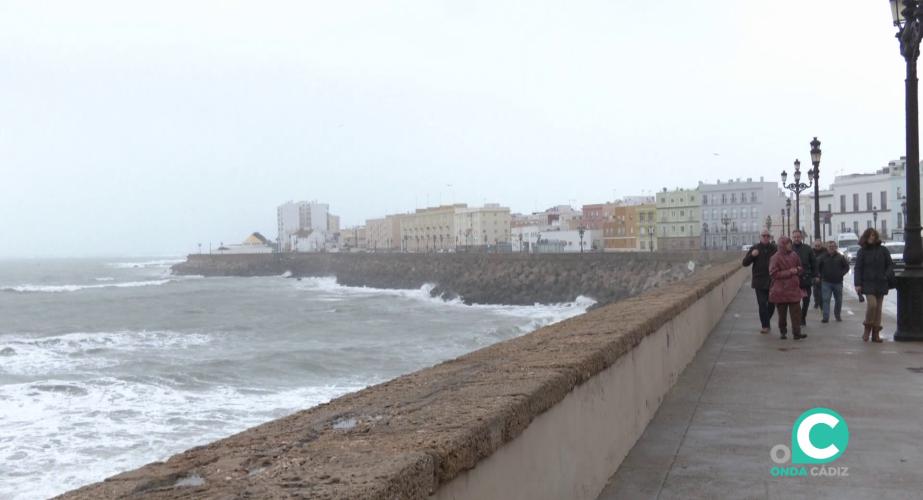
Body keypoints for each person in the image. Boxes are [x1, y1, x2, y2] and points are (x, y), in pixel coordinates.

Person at [854, 228, 894, 343]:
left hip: (881, 282)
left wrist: (885, 275)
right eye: (870, 236)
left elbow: (889, 265)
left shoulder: (883, 250)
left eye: (873, 235)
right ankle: (867, 327)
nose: (872, 237)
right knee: (872, 305)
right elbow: (858, 268)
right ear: (866, 237)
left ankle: (875, 334)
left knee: (878, 309)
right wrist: (857, 284)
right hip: (868, 283)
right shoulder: (862, 251)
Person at [769, 236, 806, 340]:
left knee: (796, 313)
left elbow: (800, 267)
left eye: (790, 243)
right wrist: (790, 272)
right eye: (788, 243)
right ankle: (783, 331)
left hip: (793, 289)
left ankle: (797, 333)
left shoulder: (794, 255)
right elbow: (773, 273)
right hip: (781, 290)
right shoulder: (775, 257)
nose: (790, 245)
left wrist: (798, 270)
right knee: (782, 314)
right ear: (782, 245)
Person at [742, 230, 777, 333]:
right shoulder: (755, 248)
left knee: (771, 305)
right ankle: (765, 326)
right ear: (760, 237)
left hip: (772, 281)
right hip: (759, 281)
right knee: (762, 304)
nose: (766, 237)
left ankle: (766, 321)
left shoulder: (774, 249)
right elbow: (744, 263)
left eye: (768, 236)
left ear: (770, 237)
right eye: (764, 236)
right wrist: (752, 255)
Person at [817, 240, 850, 323]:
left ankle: (837, 315)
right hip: (826, 282)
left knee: (838, 300)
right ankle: (825, 317)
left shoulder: (840, 257)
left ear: (836, 247)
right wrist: (820, 275)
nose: (831, 248)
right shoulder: (822, 257)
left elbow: (846, 267)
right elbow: (817, 267)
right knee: (826, 299)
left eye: (833, 246)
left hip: (838, 282)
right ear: (827, 247)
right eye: (830, 246)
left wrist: (841, 274)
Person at [791, 230, 817, 327]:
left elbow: (814, 263)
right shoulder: (789, 249)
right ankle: (797, 319)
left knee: (806, 301)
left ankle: (803, 317)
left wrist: (816, 275)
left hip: (806, 280)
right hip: (793, 280)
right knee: (795, 302)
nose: (797, 239)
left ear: (801, 237)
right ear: (792, 238)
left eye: (798, 237)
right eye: (795, 237)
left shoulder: (808, 249)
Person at [812, 239, 825, 309]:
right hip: (815, 273)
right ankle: (816, 301)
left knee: (823, 290)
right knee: (815, 290)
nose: (817, 247)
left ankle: (822, 302)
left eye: (818, 245)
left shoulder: (825, 251)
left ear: (821, 245)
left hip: (823, 273)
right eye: (816, 246)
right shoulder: (812, 251)